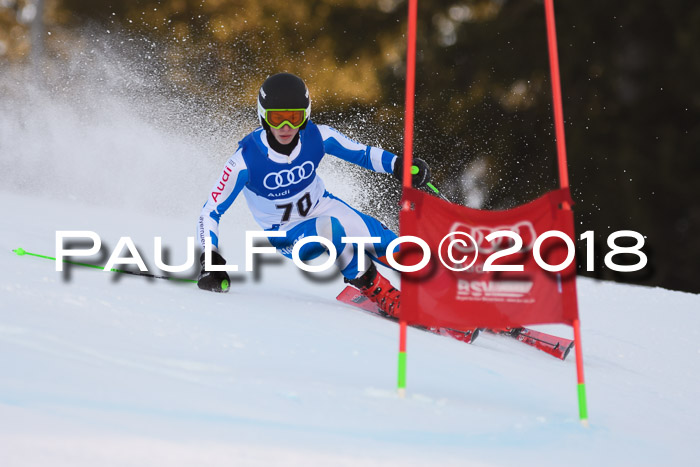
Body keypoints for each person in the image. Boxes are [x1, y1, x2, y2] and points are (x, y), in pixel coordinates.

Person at [196, 72, 431, 316]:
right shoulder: (244, 160)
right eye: (277, 118)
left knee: (393, 247)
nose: (286, 127)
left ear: (305, 115)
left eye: (294, 117)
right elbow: (210, 211)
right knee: (330, 229)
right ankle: (378, 290)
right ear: (263, 116)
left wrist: (398, 166)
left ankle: (440, 292)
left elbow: (361, 153)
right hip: (287, 233)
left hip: (323, 206)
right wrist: (210, 260)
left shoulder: (318, 136)